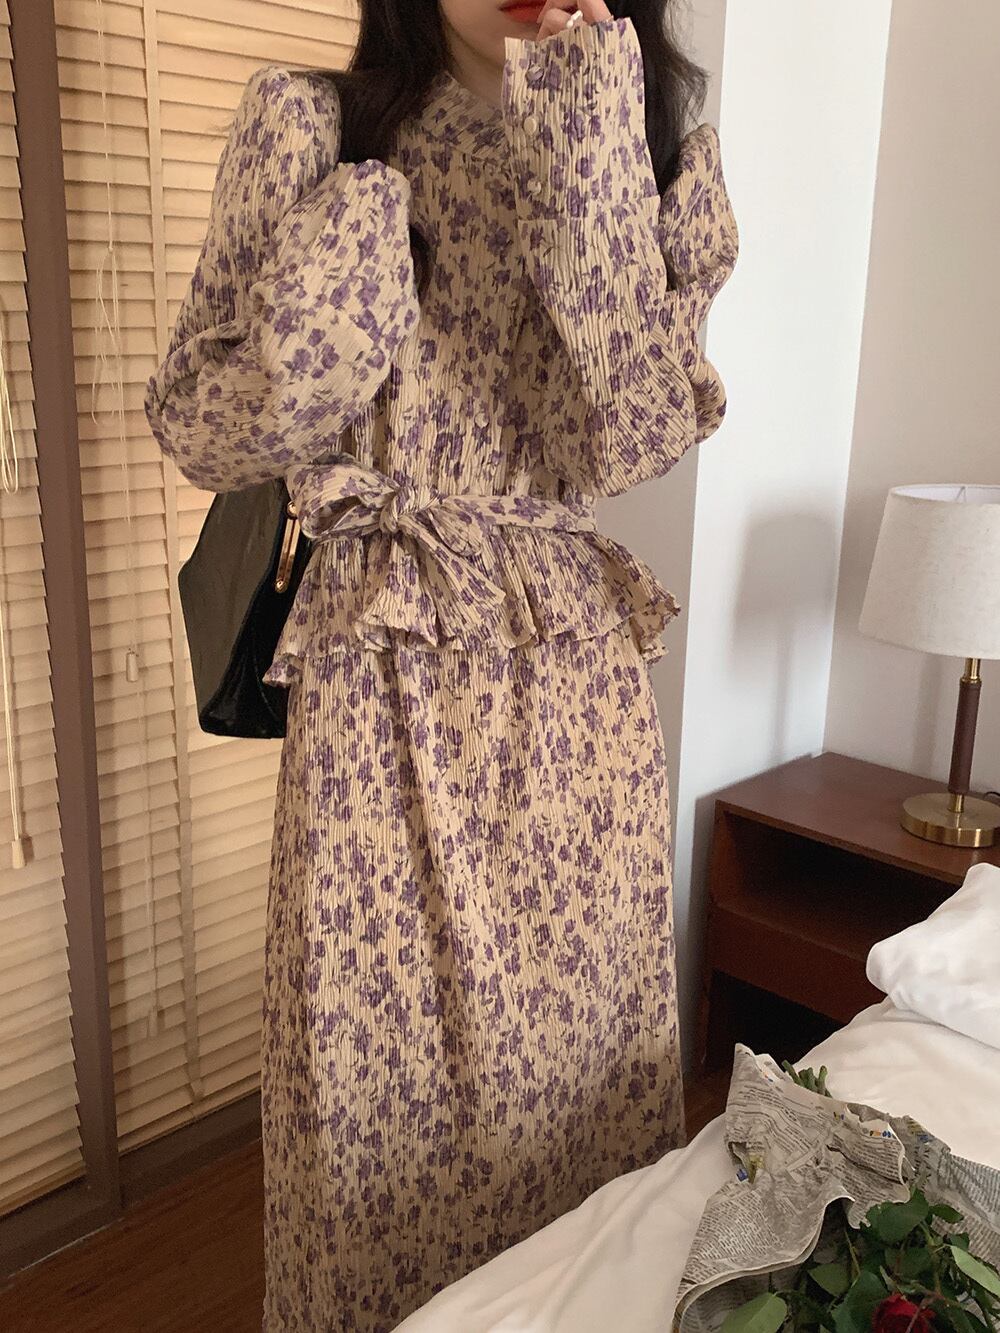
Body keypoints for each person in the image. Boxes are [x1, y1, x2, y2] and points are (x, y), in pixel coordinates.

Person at [145, 0, 738, 1327]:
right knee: (372, 1100)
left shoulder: (654, 150)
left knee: (578, 1104)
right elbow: (198, 424)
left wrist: (586, 153)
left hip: (571, 698)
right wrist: (327, 322)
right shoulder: (312, 126)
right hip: (383, 691)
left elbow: (635, 439)